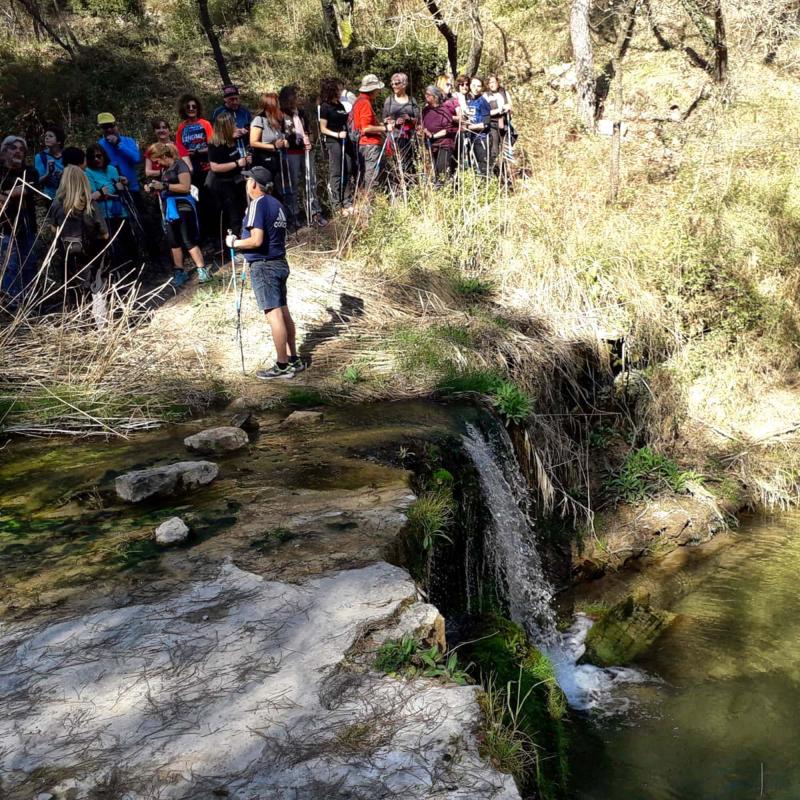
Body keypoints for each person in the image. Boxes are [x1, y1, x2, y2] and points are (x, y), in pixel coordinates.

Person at [225, 165, 304, 379]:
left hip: (264, 265)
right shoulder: (277, 204)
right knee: (283, 310)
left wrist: (235, 242)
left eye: (247, 180)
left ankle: (282, 365)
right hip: (279, 262)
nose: (246, 184)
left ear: (253, 184)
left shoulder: (257, 204)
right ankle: (293, 358)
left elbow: (257, 240)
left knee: (273, 313)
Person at [146, 142, 210, 285]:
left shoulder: (180, 165)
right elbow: (164, 188)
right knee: (173, 241)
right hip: (169, 209)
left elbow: (185, 187)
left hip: (183, 206)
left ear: (162, 156)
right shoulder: (164, 169)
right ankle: (179, 271)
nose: (156, 163)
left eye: (156, 160)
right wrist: (153, 188)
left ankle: (202, 269)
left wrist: (165, 186)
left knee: (187, 239)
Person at [49, 165, 109, 302]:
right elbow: (104, 234)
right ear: (84, 181)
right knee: (94, 287)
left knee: (72, 289)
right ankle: (96, 317)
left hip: (66, 255)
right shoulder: (90, 204)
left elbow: (53, 229)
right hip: (90, 256)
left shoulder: (57, 204)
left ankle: (75, 316)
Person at [278, 85, 326, 228]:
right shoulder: (281, 114)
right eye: (294, 96)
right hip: (291, 153)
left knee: (310, 181)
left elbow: (309, 130)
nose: (297, 99)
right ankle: (293, 215)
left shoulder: (302, 113)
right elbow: (280, 133)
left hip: (305, 152)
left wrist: (309, 141)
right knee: (292, 185)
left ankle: (314, 212)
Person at [0, 136, 40, 307]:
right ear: (4, 151)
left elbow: (27, 188)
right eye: (13, 147)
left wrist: (4, 195)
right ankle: (11, 305)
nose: (17, 151)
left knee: (29, 265)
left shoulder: (30, 171)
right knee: (9, 267)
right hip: (4, 228)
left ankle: (31, 303)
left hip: (27, 226)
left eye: (21, 149)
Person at [85, 143, 136, 271]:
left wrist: (123, 184)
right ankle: (115, 272)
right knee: (110, 245)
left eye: (98, 156)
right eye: (92, 157)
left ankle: (134, 268)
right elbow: (95, 193)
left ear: (104, 156)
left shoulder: (112, 169)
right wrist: (112, 189)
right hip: (104, 214)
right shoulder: (88, 172)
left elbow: (119, 186)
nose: (96, 159)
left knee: (128, 241)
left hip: (121, 211)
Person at [175, 95, 214, 240]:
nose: (191, 109)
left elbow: (212, 143)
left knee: (210, 198)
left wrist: (198, 151)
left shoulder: (205, 124)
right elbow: (179, 147)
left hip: (206, 164)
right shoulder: (182, 127)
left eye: (194, 106)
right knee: (198, 202)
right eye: (188, 107)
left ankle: (218, 234)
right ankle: (205, 235)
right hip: (190, 167)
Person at [208, 112, 249, 237]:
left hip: (238, 181)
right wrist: (237, 163)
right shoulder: (215, 145)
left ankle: (245, 237)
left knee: (243, 211)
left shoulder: (232, 140)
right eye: (233, 124)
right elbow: (215, 167)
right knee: (233, 215)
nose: (236, 126)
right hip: (225, 184)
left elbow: (241, 134)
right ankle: (235, 244)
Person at [352, 74, 394, 191]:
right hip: (370, 145)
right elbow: (366, 128)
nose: (379, 92)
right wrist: (385, 128)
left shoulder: (359, 100)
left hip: (365, 144)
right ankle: (370, 205)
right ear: (372, 89)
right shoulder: (365, 103)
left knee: (373, 175)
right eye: (377, 89)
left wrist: (383, 124)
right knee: (372, 178)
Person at [319, 77, 354, 215]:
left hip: (345, 141)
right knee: (337, 172)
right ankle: (336, 205)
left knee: (348, 168)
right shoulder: (325, 107)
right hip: (334, 142)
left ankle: (347, 201)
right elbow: (323, 128)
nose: (341, 91)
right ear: (332, 90)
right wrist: (337, 135)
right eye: (339, 88)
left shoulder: (339, 104)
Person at [250, 93, 290, 211]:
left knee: (277, 191)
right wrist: (273, 146)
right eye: (277, 103)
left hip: (276, 162)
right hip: (263, 162)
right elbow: (253, 142)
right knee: (267, 191)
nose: (279, 105)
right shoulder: (259, 120)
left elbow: (280, 138)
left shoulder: (275, 121)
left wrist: (284, 143)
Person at [382, 73, 419, 179]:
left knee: (410, 164)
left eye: (396, 83)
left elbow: (418, 120)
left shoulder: (412, 101)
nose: (393, 86)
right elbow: (384, 119)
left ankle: (410, 187)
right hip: (394, 139)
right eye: (392, 83)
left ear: (404, 84)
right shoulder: (389, 100)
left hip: (410, 139)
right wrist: (392, 122)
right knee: (395, 166)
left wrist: (409, 119)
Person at [96, 113, 141, 193]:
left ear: (116, 126)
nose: (109, 129)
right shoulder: (100, 145)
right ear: (101, 129)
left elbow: (137, 159)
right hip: (113, 190)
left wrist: (119, 144)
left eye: (111, 126)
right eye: (105, 127)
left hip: (132, 188)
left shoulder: (128, 141)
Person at [421, 86, 456, 185]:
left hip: (444, 144)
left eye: (428, 95)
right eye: (426, 94)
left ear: (435, 97)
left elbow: (448, 130)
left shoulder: (444, 110)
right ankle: (438, 192)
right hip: (431, 144)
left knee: (442, 170)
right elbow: (422, 123)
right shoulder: (425, 110)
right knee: (434, 171)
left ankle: (447, 191)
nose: (426, 96)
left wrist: (432, 135)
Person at [484, 75, 512, 173]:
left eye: (493, 82)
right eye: (490, 83)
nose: (492, 84)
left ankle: (505, 170)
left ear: (497, 82)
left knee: (506, 147)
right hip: (493, 125)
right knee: (494, 148)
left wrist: (508, 108)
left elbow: (510, 107)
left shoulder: (504, 92)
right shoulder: (486, 95)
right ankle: (493, 170)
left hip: (504, 123)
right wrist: (499, 110)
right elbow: (486, 112)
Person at [465, 77, 491, 176]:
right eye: (474, 85)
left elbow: (486, 124)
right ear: (470, 86)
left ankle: (486, 187)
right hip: (469, 138)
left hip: (481, 138)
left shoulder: (482, 101)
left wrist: (469, 127)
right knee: (471, 166)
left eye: (479, 86)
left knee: (482, 167)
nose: (476, 88)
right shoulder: (467, 100)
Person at [35, 125, 65, 201]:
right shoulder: (41, 157)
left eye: (50, 136)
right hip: (49, 198)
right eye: (46, 136)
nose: (46, 138)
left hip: (67, 196)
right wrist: (48, 174)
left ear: (59, 141)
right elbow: (37, 180)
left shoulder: (67, 155)